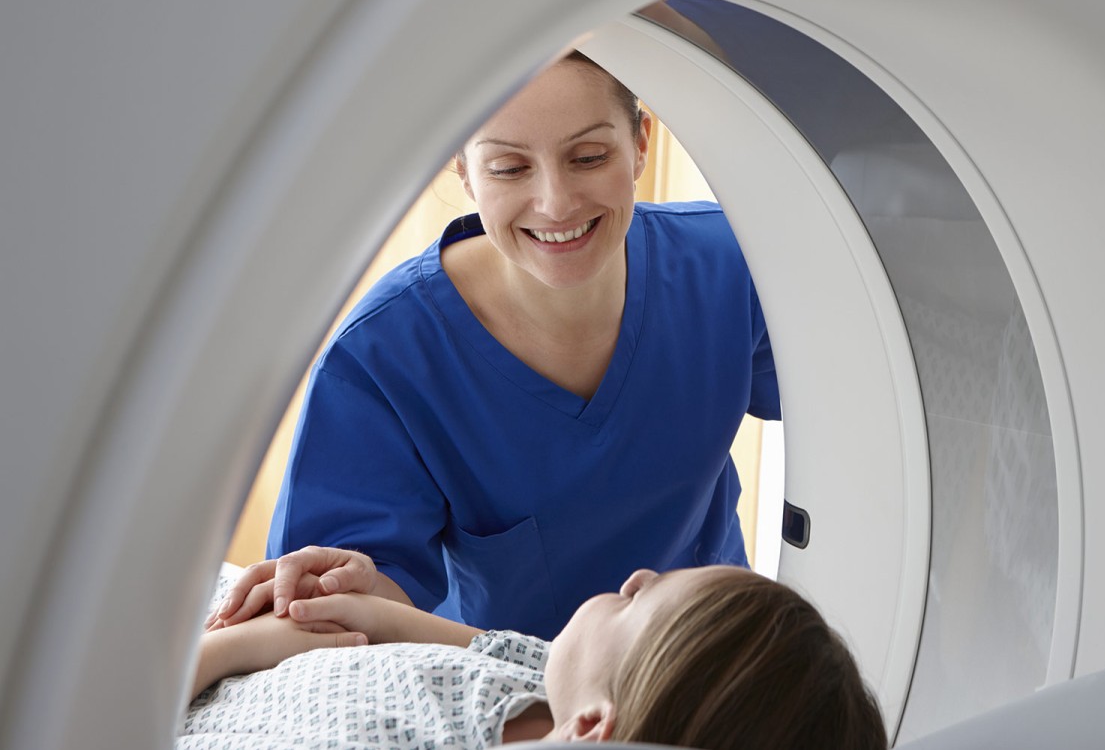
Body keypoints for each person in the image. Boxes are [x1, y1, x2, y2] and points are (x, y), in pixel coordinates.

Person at [211, 50, 779, 640]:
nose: (557, 203)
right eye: (510, 168)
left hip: (711, 654)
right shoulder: (385, 357)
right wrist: (353, 584)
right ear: (463, 168)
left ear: (640, 143)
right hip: (519, 694)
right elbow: (352, 600)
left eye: (588, 157)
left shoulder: (735, 267)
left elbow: (855, 399)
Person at [184, 562, 887, 749]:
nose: (638, 577)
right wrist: (371, 611)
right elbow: (477, 646)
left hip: (181, 670)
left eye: (643, 602)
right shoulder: (556, 686)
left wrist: (229, 649)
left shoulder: (387, 735)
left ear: (592, 731)